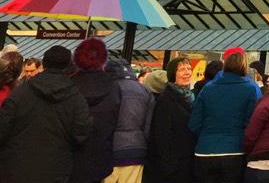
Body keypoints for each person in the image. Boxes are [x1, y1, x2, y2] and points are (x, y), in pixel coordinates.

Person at [0, 45, 92, 183]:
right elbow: (82, 131)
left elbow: (3, 127)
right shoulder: (76, 98)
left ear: (44, 64)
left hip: (16, 167)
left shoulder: (21, 92)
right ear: (69, 67)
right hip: (56, 168)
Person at [190, 49, 258, 182]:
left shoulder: (208, 88)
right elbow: (250, 123)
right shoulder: (250, 89)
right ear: (244, 66)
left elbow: (194, 123)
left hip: (205, 149)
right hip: (235, 150)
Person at [72, 37, 121, 183]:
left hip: (71, 156)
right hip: (101, 158)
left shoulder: (69, 86)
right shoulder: (114, 86)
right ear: (103, 59)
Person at [144, 56, 195, 183]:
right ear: (173, 74)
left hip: (187, 162)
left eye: (189, 68)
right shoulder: (166, 100)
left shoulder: (192, 97)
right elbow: (162, 135)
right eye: (182, 69)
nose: (187, 72)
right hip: (172, 167)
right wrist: (171, 167)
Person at [106, 56, 155, 183]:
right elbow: (148, 126)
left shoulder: (108, 88)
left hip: (109, 151)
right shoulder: (144, 90)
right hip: (136, 151)